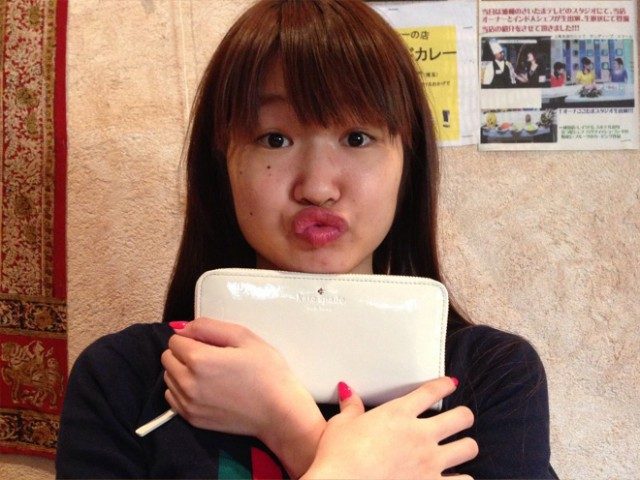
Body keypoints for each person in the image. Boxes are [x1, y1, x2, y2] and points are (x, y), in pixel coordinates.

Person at [56, 1, 555, 479]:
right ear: (223, 162)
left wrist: (285, 424)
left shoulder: (494, 376)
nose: (317, 187)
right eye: (275, 139)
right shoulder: (124, 377)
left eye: (357, 137)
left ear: (409, 162)